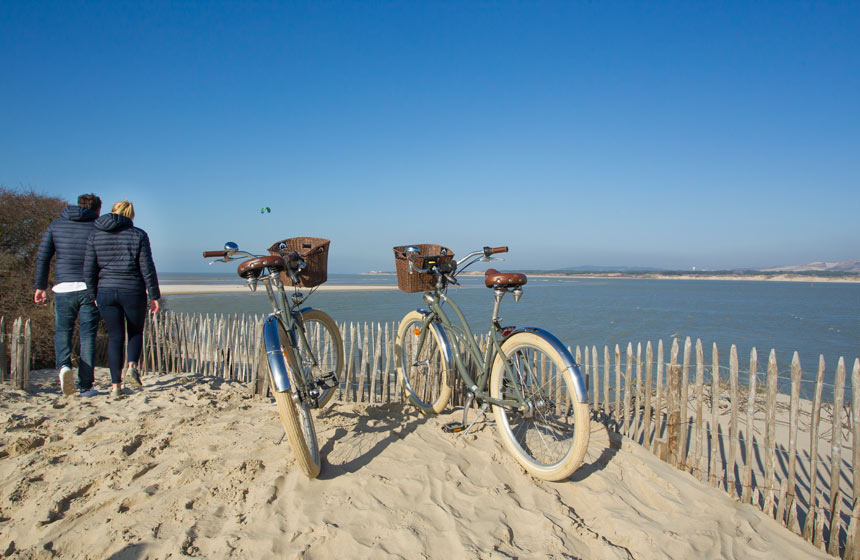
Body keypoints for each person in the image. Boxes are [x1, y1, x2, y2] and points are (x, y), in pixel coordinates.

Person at [84, 200, 161, 399]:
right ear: (131, 215)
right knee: (135, 331)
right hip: (132, 290)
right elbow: (147, 267)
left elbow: (89, 269)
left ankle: (115, 386)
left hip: (106, 291)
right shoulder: (138, 235)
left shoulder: (95, 234)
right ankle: (132, 367)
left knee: (115, 338)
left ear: (112, 212)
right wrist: (154, 295)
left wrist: (93, 294)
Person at [34, 193, 102, 397]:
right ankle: (85, 386)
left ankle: (64, 367)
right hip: (89, 287)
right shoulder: (97, 226)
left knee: (63, 330)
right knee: (88, 335)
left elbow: (43, 256)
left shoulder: (56, 225)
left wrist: (40, 286)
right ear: (97, 209)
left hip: (63, 286)